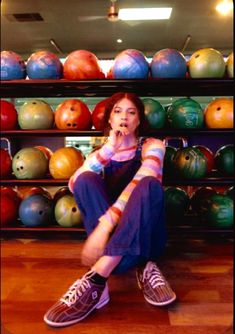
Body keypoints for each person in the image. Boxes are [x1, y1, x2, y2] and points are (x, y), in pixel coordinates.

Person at [44, 92, 176, 328]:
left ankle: (98, 278)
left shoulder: (153, 146)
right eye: (117, 111)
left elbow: (143, 177)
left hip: (145, 239)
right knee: (85, 178)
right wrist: (109, 148)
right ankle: (131, 266)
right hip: (114, 241)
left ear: (139, 121)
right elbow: (74, 184)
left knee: (148, 186)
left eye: (131, 112)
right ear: (110, 120)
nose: (124, 116)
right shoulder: (101, 153)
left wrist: (104, 226)